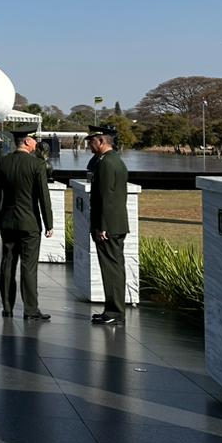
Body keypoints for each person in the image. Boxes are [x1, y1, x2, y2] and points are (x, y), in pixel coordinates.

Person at [0, 125, 54, 320]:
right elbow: (43, 197)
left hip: (8, 222)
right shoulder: (37, 164)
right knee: (29, 267)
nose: (36, 143)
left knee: (7, 264)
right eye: (34, 139)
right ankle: (30, 310)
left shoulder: (0, 163)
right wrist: (49, 224)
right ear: (27, 141)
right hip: (29, 223)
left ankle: (7, 307)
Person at [88, 124, 130, 325]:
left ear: (101, 141)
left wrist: (102, 226)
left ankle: (115, 312)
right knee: (113, 268)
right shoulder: (113, 160)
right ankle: (112, 310)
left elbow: (106, 196)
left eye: (91, 141)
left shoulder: (106, 163)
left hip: (109, 225)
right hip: (115, 223)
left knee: (111, 269)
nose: (89, 145)